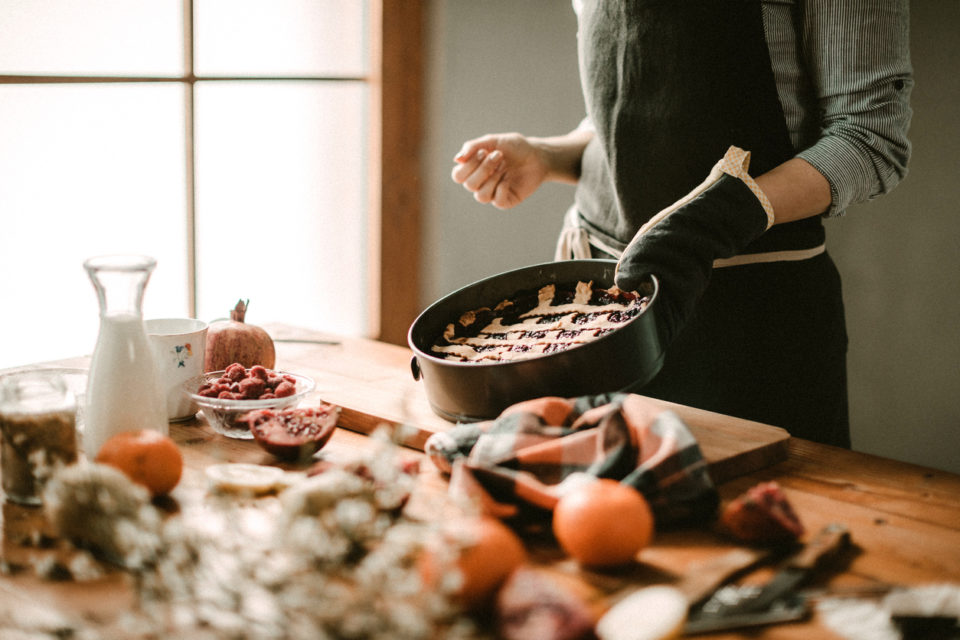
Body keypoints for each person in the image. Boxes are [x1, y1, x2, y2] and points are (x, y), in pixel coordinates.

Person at [450, 0, 913, 448]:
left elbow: (868, 138)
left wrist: (711, 224)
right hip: (586, 323)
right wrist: (548, 156)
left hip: (751, 321)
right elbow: (620, 114)